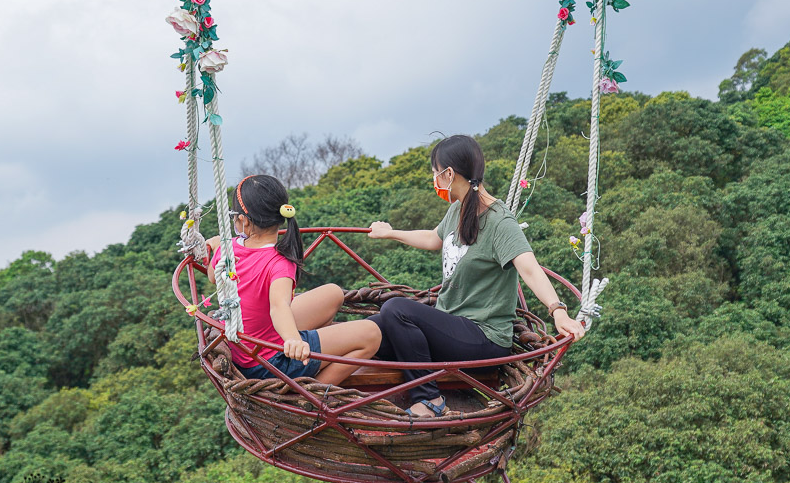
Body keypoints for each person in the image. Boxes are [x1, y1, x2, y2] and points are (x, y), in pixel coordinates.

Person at [367, 135, 585, 417]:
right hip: (453, 326)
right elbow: (434, 238)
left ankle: (429, 400)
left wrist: (558, 312)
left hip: (484, 339)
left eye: (435, 173)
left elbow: (529, 267)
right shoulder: (458, 208)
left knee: (396, 309)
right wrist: (390, 233)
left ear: (448, 174)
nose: (433, 180)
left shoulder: (499, 221)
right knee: (377, 329)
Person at [206, 174, 381, 386]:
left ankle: (310, 353)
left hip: (248, 344)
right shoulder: (279, 262)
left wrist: (217, 247)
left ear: (243, 221)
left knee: (333, 293)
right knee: (371, 334)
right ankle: (310, 393)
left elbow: (213, 277)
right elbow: (279, 307)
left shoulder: (229, 247)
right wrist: (293, 340)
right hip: (268, 363)